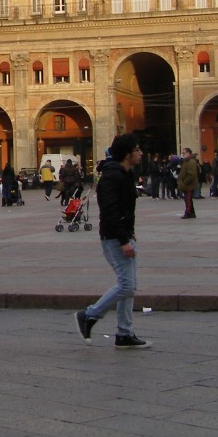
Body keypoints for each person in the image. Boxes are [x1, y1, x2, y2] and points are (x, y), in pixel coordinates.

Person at [75, 134, 149, 349]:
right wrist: (124, 239)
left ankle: (124, 333)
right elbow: (110, 212)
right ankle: (89, 315)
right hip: (115, 238)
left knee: (130, 287)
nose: (141, 153)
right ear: (127, 154)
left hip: (123, 235)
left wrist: (130, 232)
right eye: (137, 150)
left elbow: (126, 209)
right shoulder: (111, 176)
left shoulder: (126, 173)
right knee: (127, 285)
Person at [177, 148, 199, 219]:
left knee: (188, 199)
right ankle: (192, 213)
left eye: (184, 153)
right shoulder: (186, 161)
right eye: (182, 153)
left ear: (189, 153)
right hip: (187, 184)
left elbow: (191, 174)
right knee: (187, 199)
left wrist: (185, 182)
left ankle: (188, 212)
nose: (183, 154)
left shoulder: (191, 161)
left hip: (189, 185)